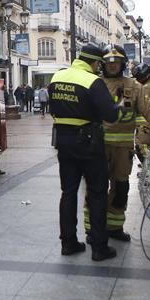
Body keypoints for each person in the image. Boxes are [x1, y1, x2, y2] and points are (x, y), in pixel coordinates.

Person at [84, 46, 150, 242]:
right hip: (98, 147)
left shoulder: (133, 86)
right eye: (109, 63)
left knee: (121, 188)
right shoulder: (94, 83)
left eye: (116, 63)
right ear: (103, 65)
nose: (113, 66)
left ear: (123, 65)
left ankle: (115, 227)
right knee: (96, 189)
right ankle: (92, 229)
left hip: (123, 149)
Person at [48, 43, 120, 261]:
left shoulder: (56, 78)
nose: (101, 67)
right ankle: (99, 247)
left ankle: (68, 243)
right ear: (95, 62)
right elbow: (110, 115)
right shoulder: (93, 81)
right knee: (97, 193)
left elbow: (53, 108)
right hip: (89, 143)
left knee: (68, 192)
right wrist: (118, 106)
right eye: (100, 63)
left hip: (63, 141)